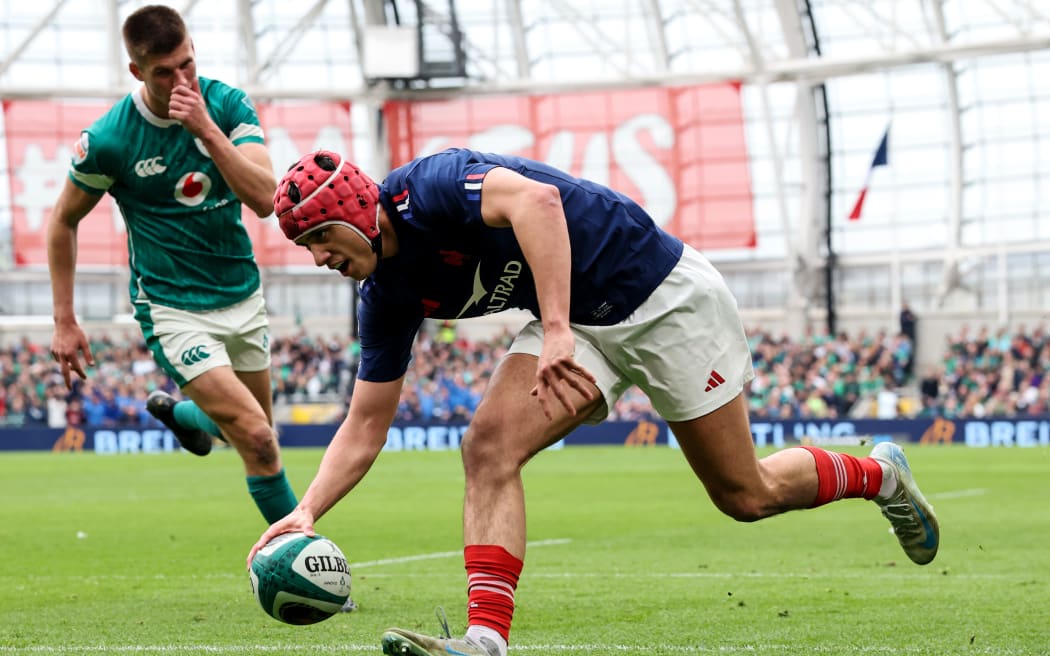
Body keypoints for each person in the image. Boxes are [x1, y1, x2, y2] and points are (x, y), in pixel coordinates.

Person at [249, 148, 940, 656]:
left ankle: (880, 476)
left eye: (318, 238)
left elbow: (538, 204)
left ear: (352, 210)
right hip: (579, 324)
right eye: (306, 248)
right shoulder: (384, 297)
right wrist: (306, 510)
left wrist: (553, 328)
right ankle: (485, 640)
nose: (318, 258)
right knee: (486, 447)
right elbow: (366, 423)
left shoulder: (429, 187)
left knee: (745, 494)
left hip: (663, 297)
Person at [47, 6, 300, 539]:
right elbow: (62, 220)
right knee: (258, 439)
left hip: (241, 294)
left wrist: (205, 128)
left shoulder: (227, 104)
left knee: (251, 429)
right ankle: (306, 559)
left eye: (187, 64)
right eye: (164, 72)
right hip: (172, 308)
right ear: (137, 72)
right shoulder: (112, 139)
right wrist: (64, 320)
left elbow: (265, 200)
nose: (181, 80)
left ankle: (185, 417)